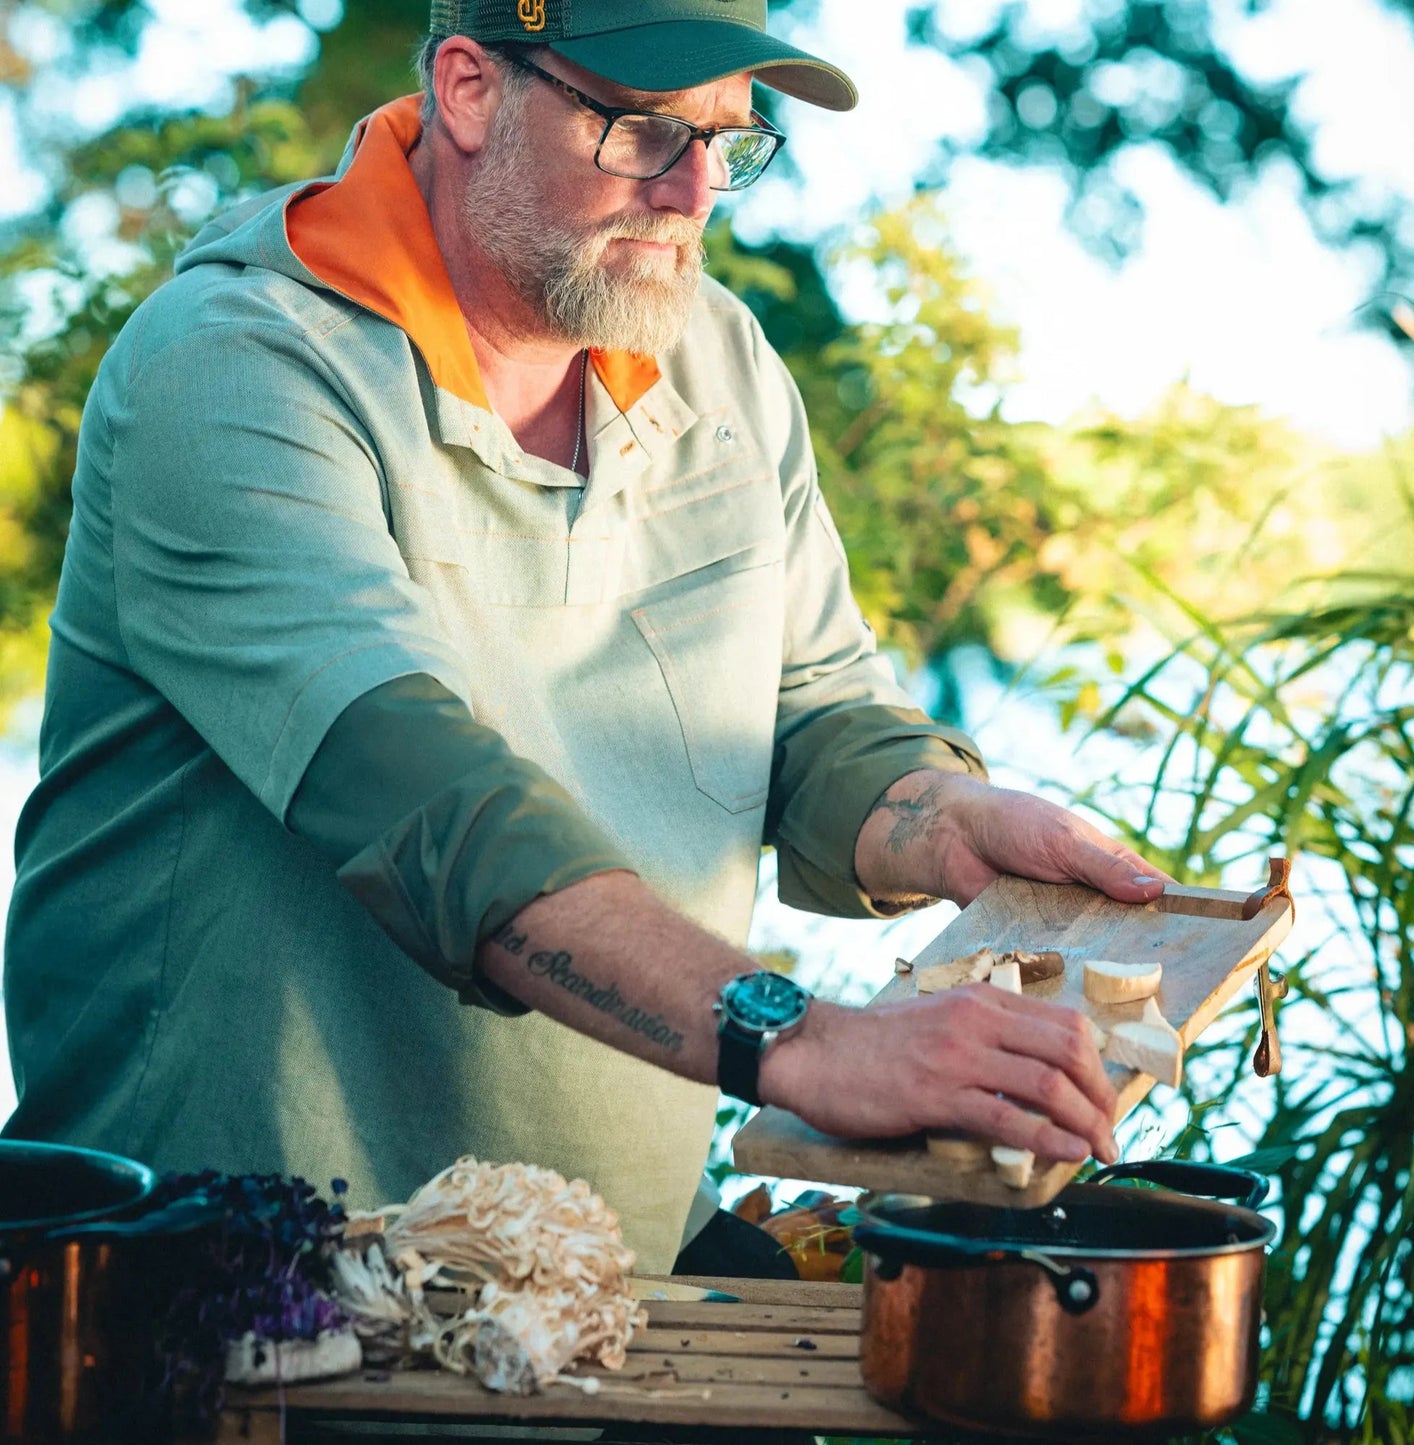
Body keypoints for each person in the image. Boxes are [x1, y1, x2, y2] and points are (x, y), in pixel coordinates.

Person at [2, 0, 1168, 1275]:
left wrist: (942, 814)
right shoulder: (233, 366)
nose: (690, 192)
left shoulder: (716, 358)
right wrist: (817, 1044)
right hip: (230, 1292)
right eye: (642, 130)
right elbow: (429, 810)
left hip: (614, 1275)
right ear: (467, 88)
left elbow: (813, 714)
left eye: (726, 142)